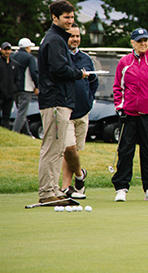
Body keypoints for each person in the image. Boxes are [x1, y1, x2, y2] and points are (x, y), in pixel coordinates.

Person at [36, 0, 88, 206]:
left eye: (72, 17)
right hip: (56, 100)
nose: (70, 20)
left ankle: (53, 188)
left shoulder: (58, 38)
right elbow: (60, 69)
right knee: (52, 147)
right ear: (54, 18)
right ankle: (47, 191)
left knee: (58, 148)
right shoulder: (55, 40)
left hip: (59, 100)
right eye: (66, 17)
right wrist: (79, 73)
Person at [112, 28, 148, 202]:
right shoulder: (124, 62)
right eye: (139, 41)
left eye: (145, 40)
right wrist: (119, 108)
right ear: (133, 43)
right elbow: (118, 88)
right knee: (125, 151)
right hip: (128, 115)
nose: (143, 44)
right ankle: (121, 187)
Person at [61, 24, 98, 199]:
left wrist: (89, 98)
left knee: (74, 150)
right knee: (69, 148)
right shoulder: (60, 57)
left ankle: (66, 188)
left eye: (77, 36)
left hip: (83, 111)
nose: (75, 39)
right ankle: (80, 175)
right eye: (71, 36)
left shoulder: (86, 58)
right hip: (65, 110)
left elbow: (93, 81)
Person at [11, 38, 39, 137]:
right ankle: (15, 133)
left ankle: (27, 134)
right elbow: (33, 72)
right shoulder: (29, 57)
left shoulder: (13, 56)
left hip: (14, 88)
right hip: (25, 88)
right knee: (22, 113)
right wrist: (37, 86)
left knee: (21, 111)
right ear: (28, 47)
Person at [0, 41, 18, 129]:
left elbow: (17, 78)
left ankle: (6, 130)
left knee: (6, 116)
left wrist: (14, 88)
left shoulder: (14, 64)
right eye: (5, 49)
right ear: (1, 50)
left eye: (8, 49)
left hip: (10, 94)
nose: (7, 51)